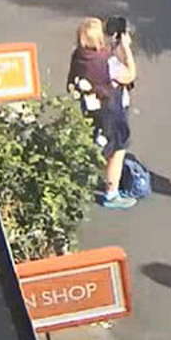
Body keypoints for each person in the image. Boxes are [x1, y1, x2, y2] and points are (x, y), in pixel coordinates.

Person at [68, 17, 138, 209]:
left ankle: (91, 178)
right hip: (111, 109)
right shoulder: (107, 61)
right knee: (117, 149)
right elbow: (129, 75)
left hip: (91, 108)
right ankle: (111, 193)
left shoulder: (79, 56)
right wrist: (127, 49)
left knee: (98, 141)